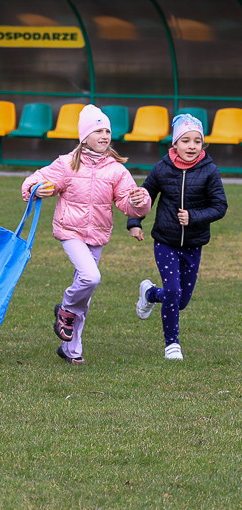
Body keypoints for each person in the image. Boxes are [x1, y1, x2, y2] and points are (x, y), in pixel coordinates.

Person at [21, 104, 151, 364]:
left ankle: (71, 350)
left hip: (98, 236)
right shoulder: (67, 164)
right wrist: (37, 188)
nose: (104, 135)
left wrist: (140, 200)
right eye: (98, 130)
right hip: (70, 232)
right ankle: (66, 308)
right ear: (84, 136)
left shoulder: (115, 169)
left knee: (87, 294)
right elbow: (37, 179)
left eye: (107, 131)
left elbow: (128, 203)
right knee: (90, 278)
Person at [127, 113, 227, 361]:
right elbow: (144, 195)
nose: (191, 146)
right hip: (165, 241)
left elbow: (220, 206)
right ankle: (172, 344)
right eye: (185, 140)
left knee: (180, 300)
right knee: (173, 292)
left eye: (196, 141)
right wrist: (134, 222)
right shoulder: (162, 169)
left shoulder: (210, 171)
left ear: (203, 144)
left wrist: (194, 216)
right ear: (175, 144)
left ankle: (149, 294)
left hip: (193, 245)